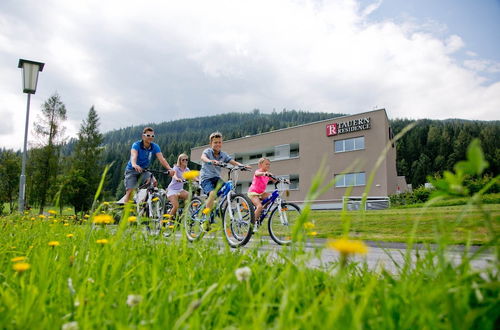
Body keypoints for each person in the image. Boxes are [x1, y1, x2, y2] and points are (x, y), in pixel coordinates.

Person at [200, 132, 249, 214]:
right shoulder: (207, 151)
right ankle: (206, 217)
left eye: (219, 142)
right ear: (210, 143)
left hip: (216, 178)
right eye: (215, 142)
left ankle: (219, 207)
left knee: (228, 188)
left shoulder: (223, 155)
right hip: (206, 178)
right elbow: (203, 157)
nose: (218, 144)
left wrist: (242, 166)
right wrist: (210, 161)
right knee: (212, 194)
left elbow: (232, 162)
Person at [123, 127, 174, 203]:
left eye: (152, 136)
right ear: (143, 136)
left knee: (154, 182)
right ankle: (126, 212)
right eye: (148, 135)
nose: (150, 137)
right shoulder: (136, 145)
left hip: (144, 170)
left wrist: (169, 169)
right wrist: (134, 164)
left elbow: (162, 159)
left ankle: (146, 203)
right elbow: (134, 156)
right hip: (132, 170)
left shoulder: (155, 147)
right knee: (130, 192)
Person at [166, 153, 194, 219]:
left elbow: (192, 176)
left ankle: (184, 215)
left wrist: (198, 180)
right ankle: (168, 222)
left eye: (186, 160)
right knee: (176, 206)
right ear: (180, 161)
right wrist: (177, 178)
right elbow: (174, 175)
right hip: (172, 190)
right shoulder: (176, 168)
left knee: (189, 195)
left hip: (180, 190)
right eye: (183, 160)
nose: (185, 161)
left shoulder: (187, 169)